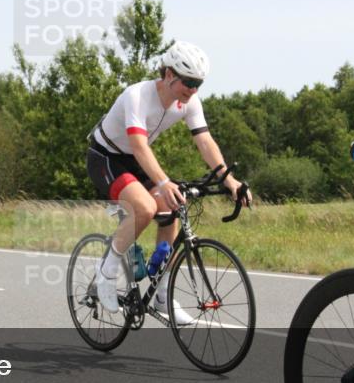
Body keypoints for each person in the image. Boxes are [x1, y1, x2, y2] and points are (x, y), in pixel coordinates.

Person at [86, 41, 251, 325]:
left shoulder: (189, 102)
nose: (193, 89)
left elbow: (204, 142)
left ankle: (162, 294)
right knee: (146, 207)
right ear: (169, 75)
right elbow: (138, 145)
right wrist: (163, 182)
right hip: (106, 157)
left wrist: (230, 181)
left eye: (198, 83)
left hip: (137, 160)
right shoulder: (137, 95)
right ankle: (106, 274)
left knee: (175, 205)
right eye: (188, 82)